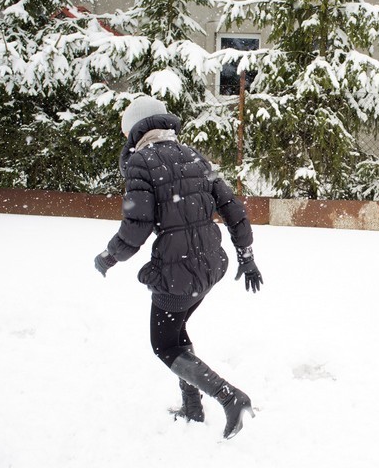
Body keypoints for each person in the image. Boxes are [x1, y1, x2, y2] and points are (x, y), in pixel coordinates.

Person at [93, 96, 263, 439]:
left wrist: (109, 256)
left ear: (135, 132)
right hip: (209, 267)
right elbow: (235, 211)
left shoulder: (142, 162)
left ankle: (230, 398)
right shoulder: (195, 157)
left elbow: (136, 227)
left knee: (165, 345)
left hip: (177, 273)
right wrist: (247, 258)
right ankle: (192, 405)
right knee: (177, 334)